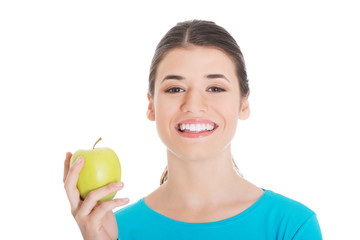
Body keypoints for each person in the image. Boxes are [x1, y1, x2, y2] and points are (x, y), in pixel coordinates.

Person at [63, 20, 322, 240]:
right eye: (175, 89)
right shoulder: (113, 230)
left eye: (215, 88)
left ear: (243, 103)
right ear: (151, 105)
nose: (194, 105)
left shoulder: (292, 226)